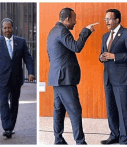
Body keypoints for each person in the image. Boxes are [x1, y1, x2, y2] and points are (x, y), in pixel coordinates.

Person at [47, 8, 98, 145]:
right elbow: (76, 47)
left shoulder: (52, 32)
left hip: (56, 78)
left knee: (59, 110)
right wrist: (86, 31)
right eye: (74, 19)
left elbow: (50, 56)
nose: (75, 22)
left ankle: (58, 140)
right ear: (67, 19)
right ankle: (80, 142)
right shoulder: (62, 31)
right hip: (65, 79)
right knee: (75, 111)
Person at [0, 18, 35, 139]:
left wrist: (31, 73)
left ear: (13, 28)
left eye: (9, 27)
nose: (7, 30)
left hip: (16, 78)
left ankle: (11, 126)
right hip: (1, 78)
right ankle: (7, 127)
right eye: (5, 28)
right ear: (2, 29)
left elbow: (28, 58)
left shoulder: (21, 42)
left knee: (14, 103)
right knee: (3, 102)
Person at [99, 9, 127, 144]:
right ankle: (114, 135)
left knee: (123, 109)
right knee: (111, 108)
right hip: (108, 78)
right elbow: (102, 54)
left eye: (109, 19)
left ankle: (124, 139)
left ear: (117, 20)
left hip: (122, 78)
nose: (106, 22)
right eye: (105, 19)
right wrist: (101, 57)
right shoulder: (105, 36)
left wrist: (114, 56)